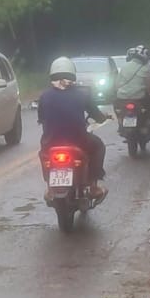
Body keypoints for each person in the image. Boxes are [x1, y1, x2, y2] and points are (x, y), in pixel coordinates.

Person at [37, 57, 111, 197]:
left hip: (50, 142)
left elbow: (41, 118)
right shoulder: (83, 94)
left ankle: (50, 187)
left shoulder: (44, 96)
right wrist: (103, 117)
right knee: (99, 146)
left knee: (43, 154)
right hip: (78, 142)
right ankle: (94, 186)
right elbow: (97, 115)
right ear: (72, 75)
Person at [114, 47, 150, 136]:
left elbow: (117, 84)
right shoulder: (146, 68)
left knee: (116, 105)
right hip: (139, 98)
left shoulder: (124, 67)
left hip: (122, 97)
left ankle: (120, 123)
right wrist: (149, 92)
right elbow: (148, 85)